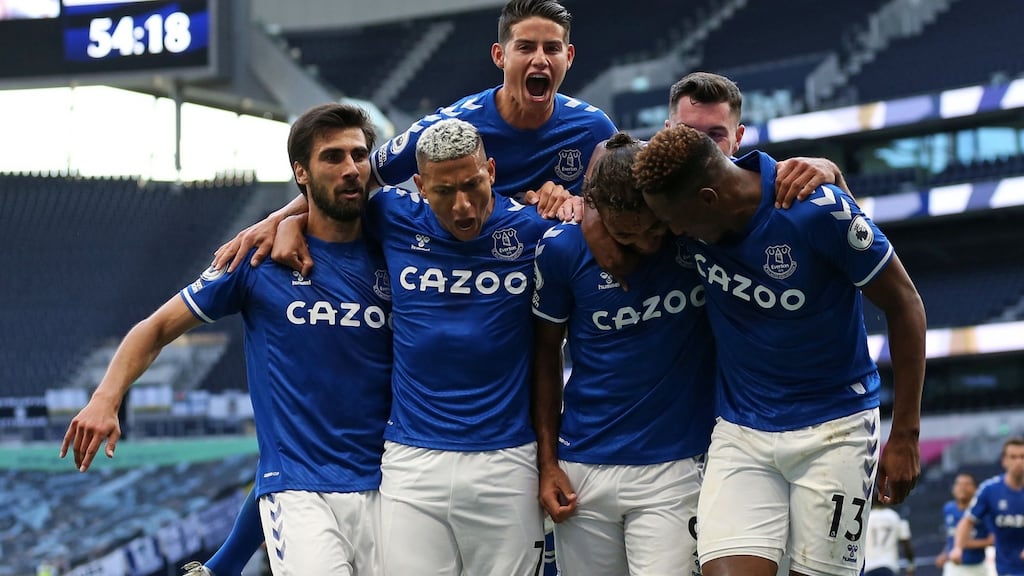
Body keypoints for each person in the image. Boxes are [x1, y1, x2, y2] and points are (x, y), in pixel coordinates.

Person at [59, 103, 394, 576]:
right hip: (298, 490)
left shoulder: (400, 255)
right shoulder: (255, 263)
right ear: (301, 171)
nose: (351, 169)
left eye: (359, 156)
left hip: (394, 484)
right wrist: (105, 399)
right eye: (332, 157)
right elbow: (154, 328)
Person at [633, 123, 927, 576]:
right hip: (740, 432)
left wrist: (905, 433)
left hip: (837, 431)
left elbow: (905, 303)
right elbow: (608, 171)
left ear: (708, 200)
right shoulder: (689, 212)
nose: (669, 232)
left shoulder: (816, 210)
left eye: (675, 221)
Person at [274, 117, 562, 575]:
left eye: (473, 185)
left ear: (491, 169)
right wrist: (282, 224)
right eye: (445, 192)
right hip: (411, 466)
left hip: (506, 463)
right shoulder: (390, 215)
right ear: (420, 186)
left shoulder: (536, 232)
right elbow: (326, 209)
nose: (464, 206)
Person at [213, 0, 615, 275]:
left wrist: (580, 203)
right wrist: (279, 220)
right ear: (500, 56)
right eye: (525, 47)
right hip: (461, 277)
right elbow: (359, 178)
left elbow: (621, 210)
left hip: (540, 290)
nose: (540, 59)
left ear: (569, 57)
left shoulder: (594, 129)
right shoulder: (448, 127)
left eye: (552, 48)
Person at [532, 132, 714, 574]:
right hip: (583, 468)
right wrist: (549, 462)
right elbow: (544, 358)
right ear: (595, 209)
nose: (649, 243)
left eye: (654, 226)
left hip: (674, 466)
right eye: (626, 233)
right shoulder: (561, 249)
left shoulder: (695, 235)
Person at [584, 71, 851, 285]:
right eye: (687, 131)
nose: (700, 145)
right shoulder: (658, 184)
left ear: (738, 138)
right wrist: (592, 219)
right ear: (665, 133)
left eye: (715, 135)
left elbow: (859, 243)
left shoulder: (780, 186)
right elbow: (606, 150)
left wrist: (834, 174)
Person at [952, 437, 1024, 576]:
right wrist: (957, 548)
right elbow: (967, 521)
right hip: (1007, 568)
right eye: (1013, 457)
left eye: (1022, 456)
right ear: (1004, 461)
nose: (1019, 461)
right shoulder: (989, 490)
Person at [937, 472, 993, 576]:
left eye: (967, 484)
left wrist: (964, 544)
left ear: (976, 489)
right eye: (958, 484)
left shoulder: (983, 512)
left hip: (977, 567)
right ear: (953, 488)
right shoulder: (948, 508)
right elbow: (951, 537)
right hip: (953, 567)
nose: (962, 488)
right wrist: (945, 553)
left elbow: (992, 540)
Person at [864, 498, 915, 576]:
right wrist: (911, 566)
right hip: (888, 566)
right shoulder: (895, 516)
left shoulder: (867, 517)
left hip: (868, 567)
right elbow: (906, 544)